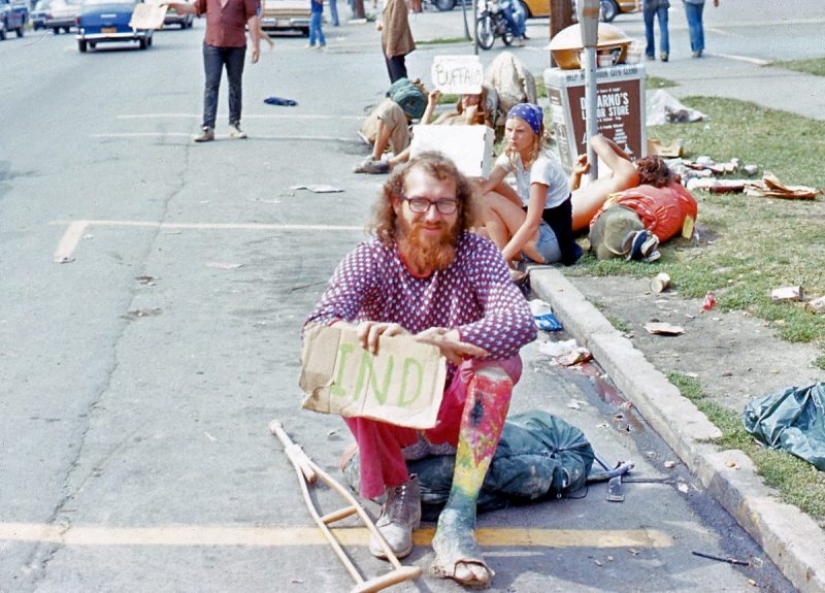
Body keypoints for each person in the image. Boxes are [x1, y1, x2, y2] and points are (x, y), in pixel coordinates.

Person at [304, 152, 536, 588]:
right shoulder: (372, 257)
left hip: (452, 416)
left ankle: (459, 515)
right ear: (396, 203)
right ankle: (398, 492)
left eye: (445, 203)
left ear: (460, 206)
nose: (432, 215)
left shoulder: (477, 251)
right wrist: (362, 333)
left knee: (502, 363)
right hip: (395, 418)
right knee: (347, 355)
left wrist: (453, 338)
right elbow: (317, 326)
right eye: (420, 202)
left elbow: (519, 319)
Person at [480, 103, 581, 267]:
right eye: (509, 129)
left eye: (520, 131)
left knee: (487, 198)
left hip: (550, 244)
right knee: (479, 231)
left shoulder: (542, 165)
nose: (512, 136)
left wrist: (502, 259)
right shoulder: (513, 154)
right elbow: (484, 186)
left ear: (535, 134)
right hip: (537, 233)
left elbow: (532, 223)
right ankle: (505, 256)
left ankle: (504, 262)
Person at [165, 0, 261, 143]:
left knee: (235, 84)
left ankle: (234, 125)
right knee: (211, 84)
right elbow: (195, 8)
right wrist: (173, 5)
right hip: (212, 45)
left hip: (236, 45)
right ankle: (208, 127)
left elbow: (252, 17)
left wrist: (256, 45)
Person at [354, 86, 494, 174]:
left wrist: (469, 119)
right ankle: (375, 159)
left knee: (430, 138)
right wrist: (431, 105)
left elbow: (465, 146)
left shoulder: (482, 123)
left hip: (437, 157)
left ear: (480, 101)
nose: (466, 99)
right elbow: (423, 131)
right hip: (415, 149)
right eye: (464, 95)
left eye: (472, 96)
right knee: (391, 107)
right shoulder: (449, 115)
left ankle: (388, 164)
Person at [376, 0, 415, 84]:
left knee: (398, 79)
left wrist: (391, 47)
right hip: (390, 46)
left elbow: (396, 26)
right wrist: (382, 25)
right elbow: (391, 21)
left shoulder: (398, 2)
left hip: (395, 47)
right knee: (395, 78)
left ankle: (402, 95)